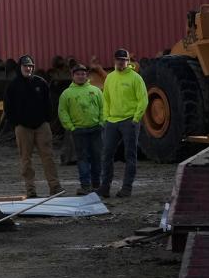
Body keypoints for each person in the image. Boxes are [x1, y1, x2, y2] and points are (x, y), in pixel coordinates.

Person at [4, 54, 60, 198]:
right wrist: (16, 123)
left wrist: (47, 121)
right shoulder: (13, 86)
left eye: (30, 66)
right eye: (25, 66)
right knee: (26, 159)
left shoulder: (41, 83)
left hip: (42, 126)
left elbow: (49, 104)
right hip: (23, 127)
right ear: (20, 67)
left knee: (48, 157)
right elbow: (8, 108)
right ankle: (31, 190)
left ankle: (55, 187)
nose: (28, 68)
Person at [98, 48, 148, 199]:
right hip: (112, 122)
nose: (121, 62)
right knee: (106, 155)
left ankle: (126, 188)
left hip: (129, 121)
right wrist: (106, 117)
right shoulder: (110, 78)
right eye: (119, 59)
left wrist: (136, 118)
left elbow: (143, 99)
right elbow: (105, 99)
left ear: (128, 61)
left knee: (130, 155)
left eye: (124, 60)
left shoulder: (135, 78)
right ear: (115, 60)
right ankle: (105, 188)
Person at [58, 64, 104, 195]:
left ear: (86, 76)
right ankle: (85, 186)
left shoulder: (96, 90)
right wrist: (71, 127)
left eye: (83, 74)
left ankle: (97, 185)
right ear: (73, 76)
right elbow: (63, 112)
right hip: (79, 131)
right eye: (78, 74)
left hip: (96, 129)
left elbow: (103, 107)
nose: (81, 76)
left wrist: (101, 122)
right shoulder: (67, 94)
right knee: (83, 159)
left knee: (97, 158)